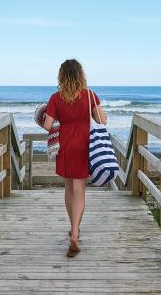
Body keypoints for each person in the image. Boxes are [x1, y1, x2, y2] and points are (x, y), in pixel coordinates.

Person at [42, 59, 107, 258]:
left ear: (61, 76)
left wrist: (42, 114)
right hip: (85, 145)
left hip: (65, 146)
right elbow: (102, 120)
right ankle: (76, 233)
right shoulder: (89, 96)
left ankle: (73, 229)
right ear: (80, 75)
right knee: (80, 190)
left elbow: (47, 125)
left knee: (69, 189)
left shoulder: (55, 98)